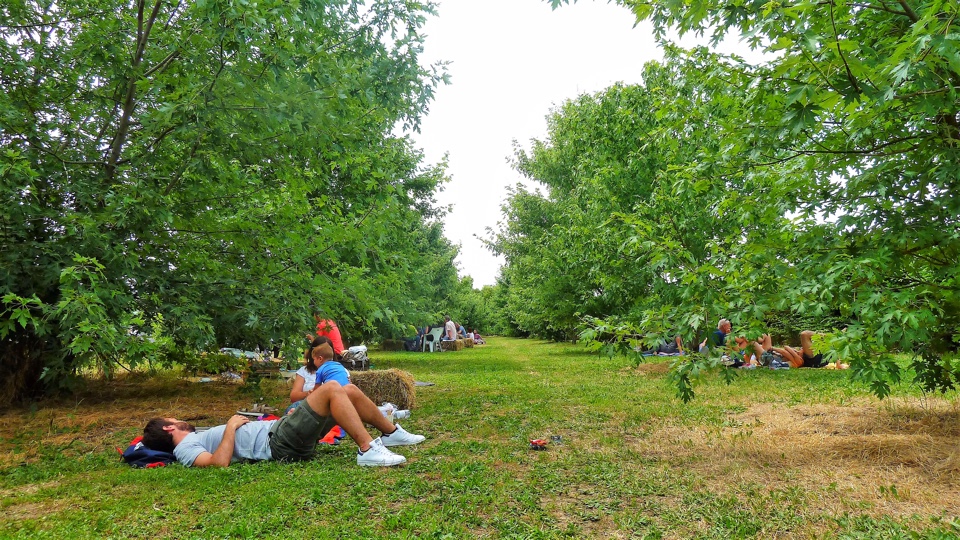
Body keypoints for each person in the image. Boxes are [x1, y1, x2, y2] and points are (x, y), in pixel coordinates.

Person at [142, 374, 426, 468]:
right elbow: (218, 464)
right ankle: (367, 450)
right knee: (329, 388)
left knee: (347, 390)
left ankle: (390, 432)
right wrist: (230, 426)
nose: (180, 419)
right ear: (169, 428)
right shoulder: (183, 449)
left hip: (280, 431)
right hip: (278, 443)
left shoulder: (196, 435)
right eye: (174, 419)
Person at [751, 331, 848, 369]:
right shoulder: (799, 359)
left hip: (770, 360)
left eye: (800, 349)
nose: (801, 349)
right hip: (769, 359)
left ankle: (834, 336)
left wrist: (775, 349)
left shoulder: (799, 361)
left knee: (804, 334)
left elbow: (785, 350)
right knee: (765, 335)